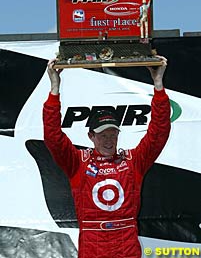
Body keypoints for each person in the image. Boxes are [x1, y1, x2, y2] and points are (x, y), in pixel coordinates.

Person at [43, 56, 170, 258]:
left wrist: (158, 87)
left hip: (126, 244)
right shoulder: (77, 162)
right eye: (103, 135)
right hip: (93, 246)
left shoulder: (132, 161)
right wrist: (54, 90)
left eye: (113, 134)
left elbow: (159, 133)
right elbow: (53, 137)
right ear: (91, 136)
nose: (109, 140)